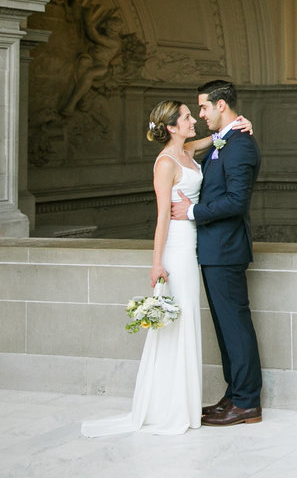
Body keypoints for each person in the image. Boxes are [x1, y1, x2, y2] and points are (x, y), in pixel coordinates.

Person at [82, 101, 247, 436]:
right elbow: (161, 217)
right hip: (176, 247)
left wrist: (238, 125)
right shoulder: (165, 163)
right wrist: (156, 262)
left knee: (187, 323)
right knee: (177, 324)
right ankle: (169, 407)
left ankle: (183, 404)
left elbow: (211, 141)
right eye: (187, 117)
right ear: (172, 126)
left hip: (194, 243)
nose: (193, 120)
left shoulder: (186, 150)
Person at [171, 80, 263, 427]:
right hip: (214, 250)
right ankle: (234, 395)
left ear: (221, 105)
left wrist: (192, 212)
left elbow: (237, 201)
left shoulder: (240, 146)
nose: (200, 113)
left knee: (235, 327)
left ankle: (247, 402)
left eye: (204, 107)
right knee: (226, 329)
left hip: (226, 249)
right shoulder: (225, 140)